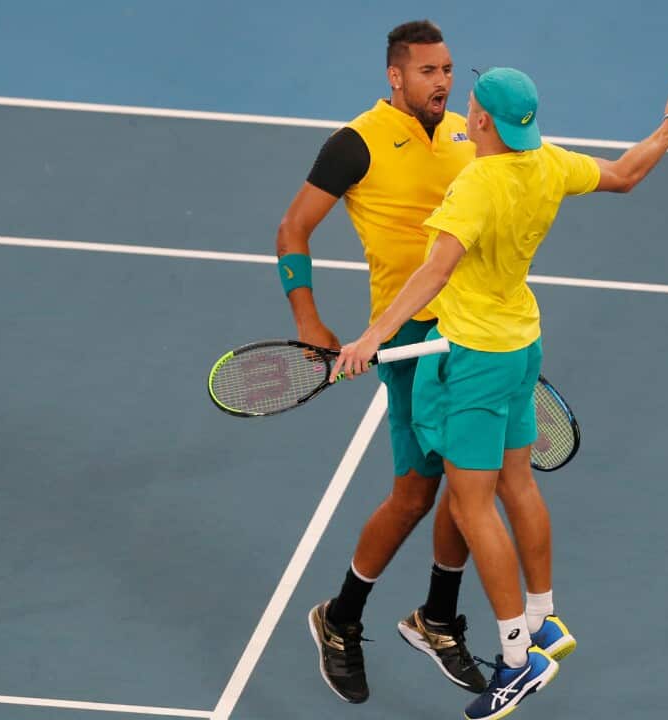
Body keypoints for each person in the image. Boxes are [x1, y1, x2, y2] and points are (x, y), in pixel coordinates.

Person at [330, 67, 668, 719]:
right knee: (519, 484)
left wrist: (371, 337)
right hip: (522, 342)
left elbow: (434, 269)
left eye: (470, 107)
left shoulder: (477, 183)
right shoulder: (549, 164)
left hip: (475, 358)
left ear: (480, 123)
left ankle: (515, 661)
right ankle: (542, 618)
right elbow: (625, 174)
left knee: (474, 507)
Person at [275, 20, 485, 703]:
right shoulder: (355, 144)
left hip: (471, 331)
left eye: (448, 70)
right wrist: (308, 318)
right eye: (428, 71)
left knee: (459, 482)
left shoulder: (465, 133)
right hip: (409, 337)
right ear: (396, 76)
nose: (443, 82)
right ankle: (347, 620)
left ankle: (435, 617)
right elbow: (293, 228)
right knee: (420, 493)